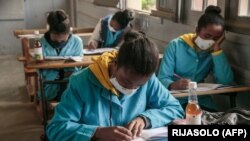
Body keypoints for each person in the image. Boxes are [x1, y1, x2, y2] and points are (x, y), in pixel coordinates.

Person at [47, 31, 184, 141]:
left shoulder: (149, 80)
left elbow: (175, 108)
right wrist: (96, 132)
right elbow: (56, 129)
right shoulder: (81, 82)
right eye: (126, 82)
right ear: (116, 63)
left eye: (139, 86)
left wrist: (146, 119)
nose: (131, 90)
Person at [157, 5, 234, 111]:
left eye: (216, 38)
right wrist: (173, 85)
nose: (210, 41)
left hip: (200, 101)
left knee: (214, 120)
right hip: (175, 101)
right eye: (207, 36)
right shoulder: (175, 45)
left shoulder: (213, 52)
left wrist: (217, 50)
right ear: (197, 30)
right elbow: (162, 78)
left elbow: (226, 81)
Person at [39, 9, 84, 101]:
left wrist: (60, 73)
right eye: (55, 41)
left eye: (63, 41)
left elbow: (78, 67)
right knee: (67, 97)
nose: (59, 42)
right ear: (49, 32)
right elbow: (40, 70)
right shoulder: (41, 43)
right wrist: (62, 74)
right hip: (50, 83)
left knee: (72, 92)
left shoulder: (77, 42)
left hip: (71, 81)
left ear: (69, 33)